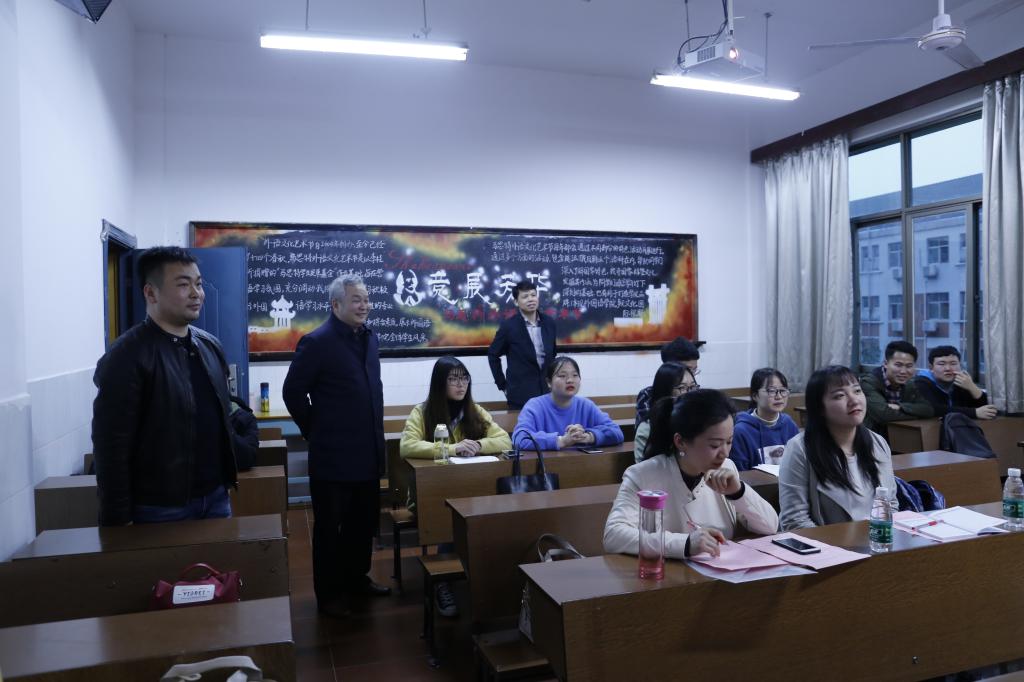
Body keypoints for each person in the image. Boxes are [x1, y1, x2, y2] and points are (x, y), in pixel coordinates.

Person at [92, 247, 237, 526]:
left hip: (216, 498)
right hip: (158, 507)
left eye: (198, 284)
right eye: (183, 285)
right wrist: (117, 519)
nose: (196, 293)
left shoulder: (209, 345)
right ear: (151, 293)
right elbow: (111, 447)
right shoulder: (127, 355)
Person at [282, 274, 389, 619]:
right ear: (336, 304)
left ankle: (356, 579)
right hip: (333, 456)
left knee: (362, 524)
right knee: (330, 529)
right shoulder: (317, 342)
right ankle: (328, 595)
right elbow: (292, 392)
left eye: (366, 299)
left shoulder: (369, 338)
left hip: (367, 452)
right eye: (357, 300)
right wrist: (315, 430)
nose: (364, 306)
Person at [604, 389, 778, 559]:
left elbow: (770, 527)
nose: (724, 453)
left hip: (720, 570)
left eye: (729, 442)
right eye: (715, 445)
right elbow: (614, 535)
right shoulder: (643, 475)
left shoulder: (727, 468)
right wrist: (685, 543)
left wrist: (738, 493)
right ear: (680, 442)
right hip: (668, 573)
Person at [400, 356, 511, 618]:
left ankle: (484, 577)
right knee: (449, 517)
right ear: (440, 383)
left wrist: (479, 445)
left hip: (471, 490)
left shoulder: (475, 411)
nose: (461, 385)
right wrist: (452, 448)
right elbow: (407, 446)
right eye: (453, 379)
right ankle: (444, 582)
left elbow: (504, 440)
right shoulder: (422, 412)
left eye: (464, 378)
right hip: (431, 494)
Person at [779, 365, 898, 531]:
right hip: (827, 545)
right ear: (819, 408)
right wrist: (839, 545)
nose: (854, 400)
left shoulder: (877, 443)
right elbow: (794, 521)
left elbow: (891, 505)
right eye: (840, 395)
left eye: (857, 391)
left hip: (876, 540)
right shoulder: (800, 449)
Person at [512, 356, 624, 451]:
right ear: (549, 382)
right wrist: (562, 441)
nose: (570, 380)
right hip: (546, 467)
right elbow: (519, 439)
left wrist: (588, 437)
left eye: (575, 375)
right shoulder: (535, 406)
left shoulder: (586, 405)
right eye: (562, 376)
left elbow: (616, 432)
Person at [487, 280, 557, 409]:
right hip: (520, 395)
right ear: (516, 302)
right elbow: (493, 355)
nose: (530, 299)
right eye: (525, 296)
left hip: (548, 393)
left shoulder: (549, 323)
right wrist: (502, 385)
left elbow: (552, 354)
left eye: (533, 295)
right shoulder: (508, 326)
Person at [729, 368, 801, 471]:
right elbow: (739, 473)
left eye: (783, 391)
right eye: (771, 391)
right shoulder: (741, 431)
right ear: (755, 396)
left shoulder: (789, 424)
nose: (779, 396)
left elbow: (799, 462)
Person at [859, 340, 933, 437]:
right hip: (870, 438)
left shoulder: (910, 384)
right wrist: (917, 414)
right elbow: (884, 415)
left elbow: (928, 409)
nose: (903, 371)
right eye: (898, 365)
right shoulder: (868, 383)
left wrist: (900, 407)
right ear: (885, 363)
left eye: (909, 366)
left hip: (898, 436)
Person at [634, 362, 698, 463]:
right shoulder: (647, 428)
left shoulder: (701, 422)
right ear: (665, 391)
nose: (690, 393)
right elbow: (642, 469)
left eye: (693, 387)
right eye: (682, 388)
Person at [913, 345, 997, 420]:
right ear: (931, 367)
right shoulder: (920, 383)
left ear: (960, 365)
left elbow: (987, 409)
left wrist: (972, 387)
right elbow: (933, 409)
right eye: (941, 364)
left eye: (953, 364)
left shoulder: (961, 382)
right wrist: (974, 412)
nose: (948, 368)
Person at [634, 337, 700, 427]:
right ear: (669, 367)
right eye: (687, 369)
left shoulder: (695, 391)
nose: (692, 374)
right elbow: (647, 427)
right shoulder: (647, 394)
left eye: (694, 369)